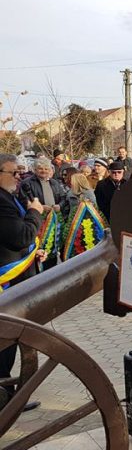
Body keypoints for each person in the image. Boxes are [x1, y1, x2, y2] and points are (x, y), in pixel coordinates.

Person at [0, 153, 44, 413]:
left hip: (13, 278)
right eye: (14, 173)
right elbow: (20, 236)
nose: (19, 178)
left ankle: (6, 393)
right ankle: (5, 398)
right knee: (6, 341)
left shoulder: (7, 197)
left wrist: (32, 253)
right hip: (8, 284)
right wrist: (34, 213)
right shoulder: (2, 202)